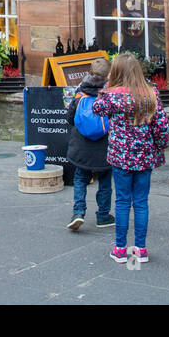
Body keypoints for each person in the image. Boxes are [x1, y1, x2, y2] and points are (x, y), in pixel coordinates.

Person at [91, 53, 169, 264]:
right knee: (141, 203)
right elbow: (161, 126)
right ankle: (140, 250)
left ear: (115, 72)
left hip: (121, 157)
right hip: (145, 156)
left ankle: (119, 249)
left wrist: (107, 86)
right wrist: (160, 146)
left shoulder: (111, 96)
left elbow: (96, 108)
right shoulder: (150, 94)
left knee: (123, 202)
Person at [64, 56, 113, 232]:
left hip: (81, 147)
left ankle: (78, 212)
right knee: (105, 182)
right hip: (104, 147)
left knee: (80, 178)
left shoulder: (79, 93)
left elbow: (70, 118)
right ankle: (103, 216)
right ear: (109, 76)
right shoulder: (110, 95)